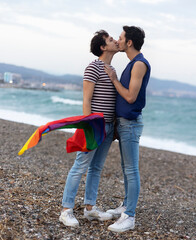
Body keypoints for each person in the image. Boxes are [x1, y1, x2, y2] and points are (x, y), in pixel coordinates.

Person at [59, 30, 119, 227]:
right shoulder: (93, 67)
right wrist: (88, 126)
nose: (115, 41)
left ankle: (90, 209)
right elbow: (86, 99)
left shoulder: (112, 70)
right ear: (103, 47)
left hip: (109, 127)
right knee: (80, 166)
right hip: (95, 126)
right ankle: (66, 210)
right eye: (111, 40)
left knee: (96, 168)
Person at [104, 26, 151, 233]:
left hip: (131, 124)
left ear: (129, 42)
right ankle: (126, 205)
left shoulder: (139, 64)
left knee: (131, 170)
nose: (119, 41)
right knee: (126, 169)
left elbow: (131, 97)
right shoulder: (132, 63)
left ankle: (129, 216)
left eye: (121, 38)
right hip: (122, 123)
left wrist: (113, 79)